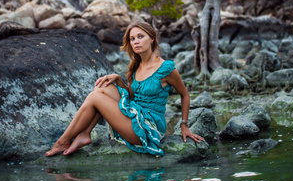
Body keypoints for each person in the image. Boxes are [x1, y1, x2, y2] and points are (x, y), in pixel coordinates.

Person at [45, 21, 205, 157]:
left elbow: (184, 95)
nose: (136, 41)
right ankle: (84, 134)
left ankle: (63, 141)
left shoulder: (166, 68)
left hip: (149, 126)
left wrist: (184, 125)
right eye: (132, 38)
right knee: (101, 89)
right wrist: (119, 80)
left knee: (95, 98)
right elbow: (132, 96)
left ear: (152, 39)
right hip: (136, 113)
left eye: (141, 37)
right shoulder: (136, 66)